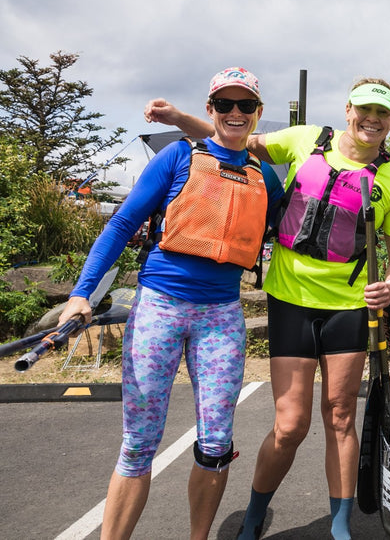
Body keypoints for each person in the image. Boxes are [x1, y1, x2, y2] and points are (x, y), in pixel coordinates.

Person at [144, 78, 390, 540]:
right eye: (365, 109)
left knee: (342, 415)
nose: (372, 119)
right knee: (290, 426)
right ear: (349, 109)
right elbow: (234, 138)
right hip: (290, 302)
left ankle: (341, 525)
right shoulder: (306, 140)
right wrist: (179, 119)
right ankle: (253, 516)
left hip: (348, 308)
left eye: (383, 114)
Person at [61, 67, 280, 539]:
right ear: (211, 109)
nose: (235, 113)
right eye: (225, 104)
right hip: (160, 306)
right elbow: (120, 226)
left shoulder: (266, 177)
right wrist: (81, 294)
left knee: (216, 443)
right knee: (138, 446)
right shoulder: (178, 156)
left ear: (258, 112)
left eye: (246, 105)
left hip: (221, 316)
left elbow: (298, 230)